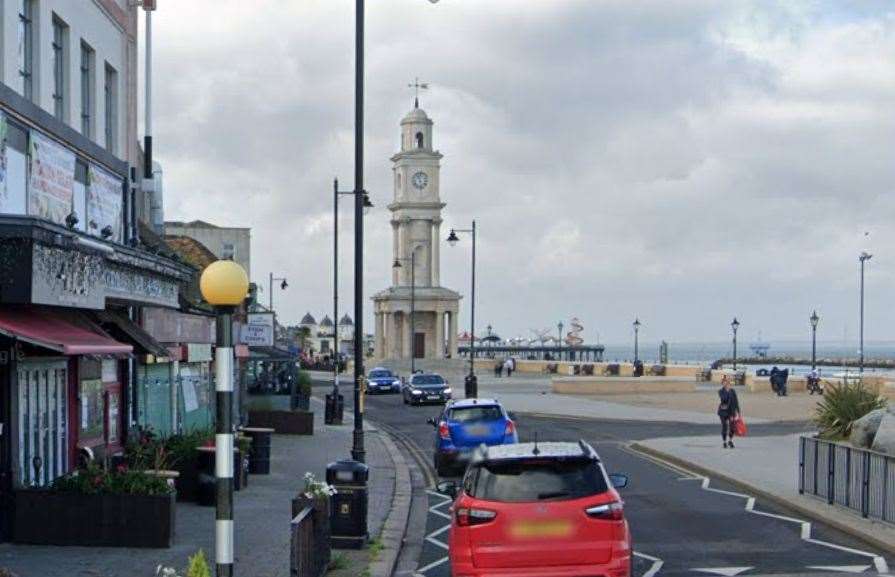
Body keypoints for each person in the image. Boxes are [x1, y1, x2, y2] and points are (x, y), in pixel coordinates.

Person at [718, 375, 741, 449]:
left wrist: (738, 411)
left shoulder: (733, 391)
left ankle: (730, 441)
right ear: (722, 383)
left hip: (731, 412)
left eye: (727, 382)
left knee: (732, 427)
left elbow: (736, 401)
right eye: (724, 382)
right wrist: (727, 391)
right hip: (723, 412)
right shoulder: (721, 391)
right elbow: (723, 399)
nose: (726, 383)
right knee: (724, 426)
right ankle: (724, 442)